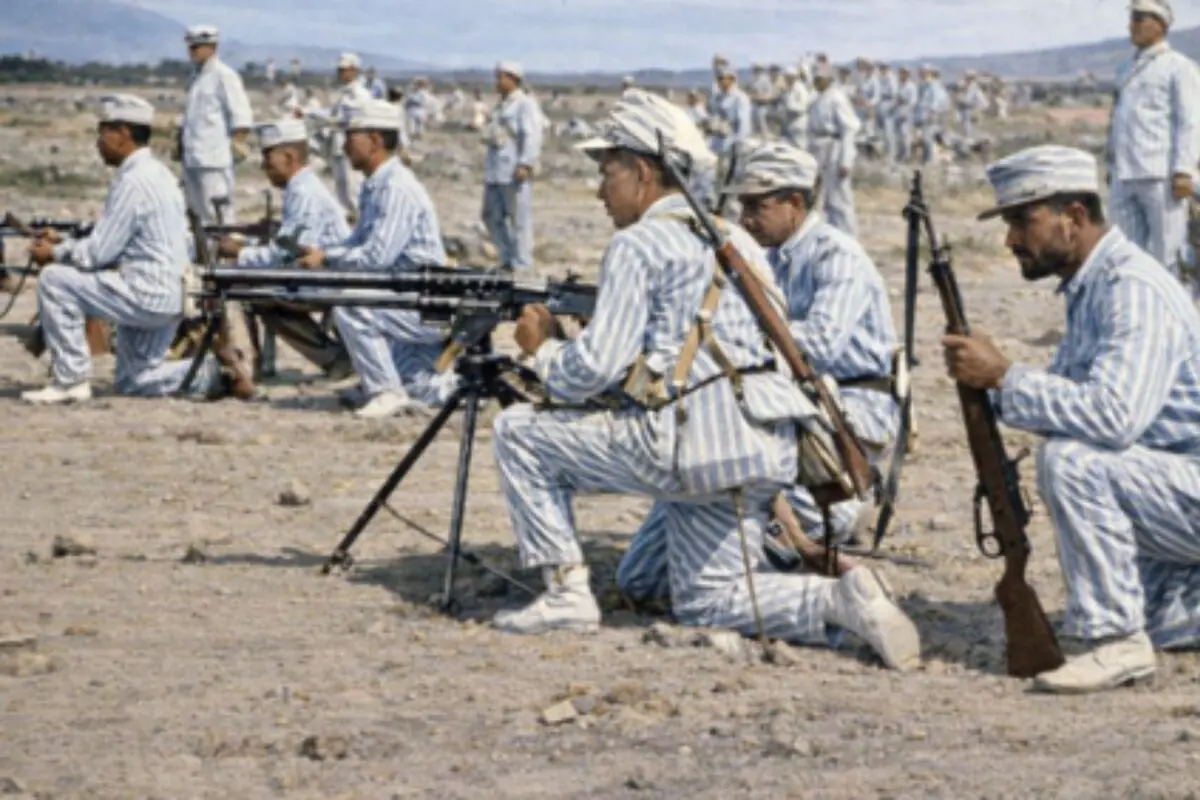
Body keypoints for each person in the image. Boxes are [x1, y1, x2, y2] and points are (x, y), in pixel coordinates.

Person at [488, 90, 920, 671]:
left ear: (643, 172)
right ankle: (836, 601)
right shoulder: (736, 241)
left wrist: (543, 351)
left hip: (690, 449)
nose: (599, 190)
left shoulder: (637, 244)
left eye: (607, 172)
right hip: (761, 446)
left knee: (518, 432)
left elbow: (591, 369)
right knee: (706, 599)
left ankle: (565, 593)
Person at [945, 144, 1200, 693]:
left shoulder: (1132, 290)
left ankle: (1118, 642)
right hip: (1174, 490)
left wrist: (1006, 377)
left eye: (1023, 221)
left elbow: (1113, 417)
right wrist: (988, 390)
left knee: (1072, 461)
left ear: (1074, 217)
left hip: (1186, 488)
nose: (1011, 240)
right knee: (1167, 623)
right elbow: (1070, 400)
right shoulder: (1092, 287)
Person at [619, 140, 904, 597]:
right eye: (742, 205)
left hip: (844, 410)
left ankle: (833, 516)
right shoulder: (760, 255)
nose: (746, 218)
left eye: (757, 206)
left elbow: (819, 347)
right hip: (787, 402)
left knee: (742, 465)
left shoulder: (837, 257)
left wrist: (734, 344)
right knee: (644, 573)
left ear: (794, 202)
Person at [22, 94, 249, 404]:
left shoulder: (133, 181)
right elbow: (120, 238)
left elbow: (98, 254)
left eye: (103, 133)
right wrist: (64, 243)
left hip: (145, 293)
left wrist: (54, 254)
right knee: (134, 381)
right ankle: (214, 373)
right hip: (171, 295)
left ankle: (70, 380)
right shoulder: (159, 174)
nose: (98, 143)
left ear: (123, 134)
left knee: (54, 281)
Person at [295, 100, 447, 418]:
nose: (344, 146)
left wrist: (327, 258)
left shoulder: (396, 188)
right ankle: (384, 386)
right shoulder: (376, 185)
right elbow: (357, 243)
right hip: (405, 294)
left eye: (351, 137)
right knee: (422, 389)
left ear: (375, 140)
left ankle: (385, 393)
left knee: (352, 304)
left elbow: (377, 257)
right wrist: (322, 255)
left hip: (425, 302)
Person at [215, 118, 353, 376]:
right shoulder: (301, 188)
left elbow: (288, 252)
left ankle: (333, 359)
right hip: (323, 273)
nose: (264, 167)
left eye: (269, 159)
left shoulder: (304, 193)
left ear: (289, 157)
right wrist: (253, 241)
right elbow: (288, 242)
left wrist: (240, 252)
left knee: (258, 295)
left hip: (328, 278)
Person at [1106, 0, 1200, 276]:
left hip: (1162, 176)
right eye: (1132, 19)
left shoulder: (1179, 67)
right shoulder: (1125, 69)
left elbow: (1190, 121)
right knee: (1125, 254)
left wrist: (1184, 169)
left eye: (1140, 19)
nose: (1132, 26)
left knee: (1168, 255)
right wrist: (1111, 165)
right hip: (1124, 174)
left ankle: (1172, 305)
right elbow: (1117, 120)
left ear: (1160, 24)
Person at [179, 25, 253, 224]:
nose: (192, 51)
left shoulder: (224, 75)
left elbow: (241, 114)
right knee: (196, 213)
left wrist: (237, 143)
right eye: (191, 47)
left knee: (219, 213)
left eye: (197, 47)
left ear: (212, 47)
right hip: (192, 157)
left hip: (214, 158)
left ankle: (225, 243)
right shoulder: (196, 77)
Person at [481, 61, 544, 273]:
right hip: (495, 170)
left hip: (513, 170)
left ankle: (522, 264)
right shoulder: (500, 105)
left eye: (501, 77)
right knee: (491, 214)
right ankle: (506, 257)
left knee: (519, 219)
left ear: (512, 79)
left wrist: (526, 163)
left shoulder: (525, 104)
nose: (497, 82)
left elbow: (532, 135)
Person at [807, 64, 860, 236]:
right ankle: (833, 234)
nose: (816, 82)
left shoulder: (837, 98)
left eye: (820, 79)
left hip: (834, 149)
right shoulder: (817, 99)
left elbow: (849, 129)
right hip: (819, 148)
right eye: (815, 79)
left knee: (839, 197)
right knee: (824, 198)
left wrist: (846, 160)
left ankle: (848, 235)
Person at [325, 53, 373, 219]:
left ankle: (360, 215)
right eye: (339, 70)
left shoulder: (361, 94)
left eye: (344, 70)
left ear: (354, 70)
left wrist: (337, 121)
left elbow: (359, 119)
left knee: (353, 181)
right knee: (340, 181)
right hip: (338, 140)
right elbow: (333, 113)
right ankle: (345, 215)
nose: (340, 73)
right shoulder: (342, 92)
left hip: (352, 140)